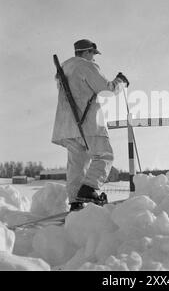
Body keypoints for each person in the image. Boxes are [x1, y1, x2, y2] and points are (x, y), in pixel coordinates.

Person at [51, 39, 129, 211]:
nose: (94, 58)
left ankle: (75, 201)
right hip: (88, 123)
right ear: (86, 52)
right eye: (93, 54)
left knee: (77, 164)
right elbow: (107, 89)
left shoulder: (64, 69)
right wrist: (120, 82)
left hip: (66, 127)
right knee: (104, 156)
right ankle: (90, 188)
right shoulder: (85, 66)